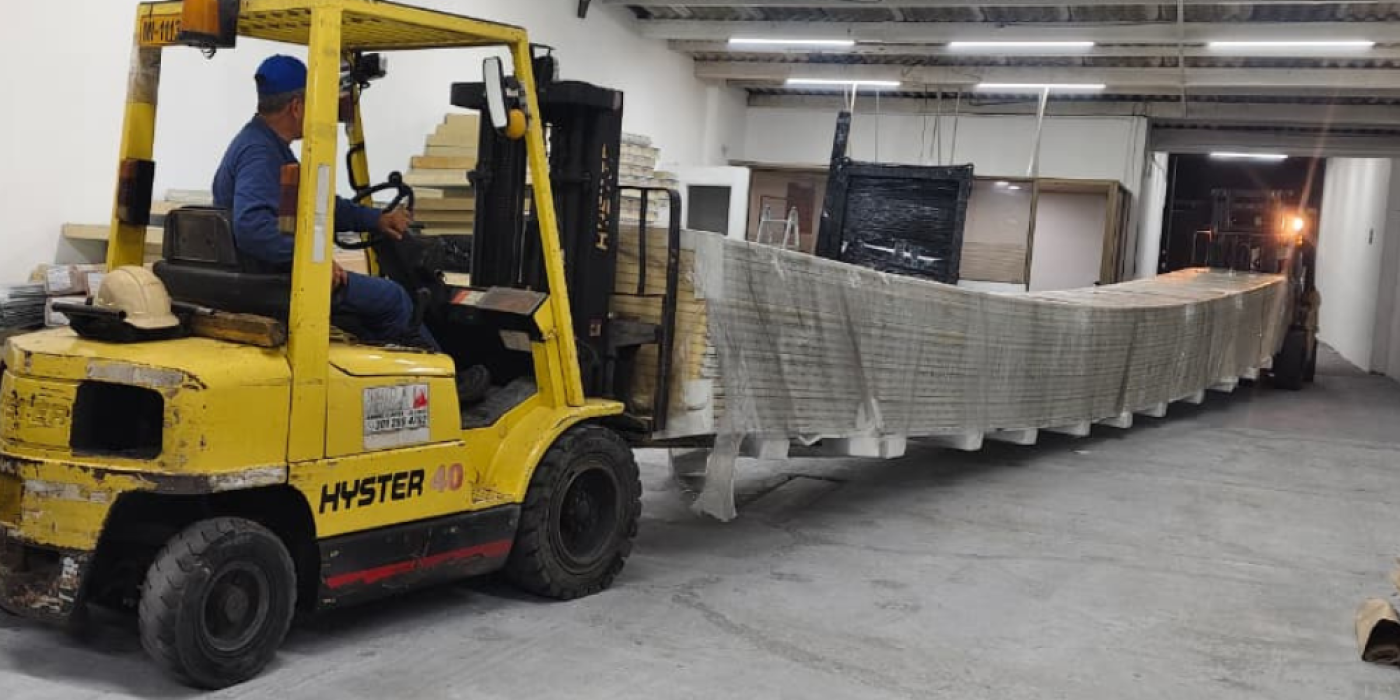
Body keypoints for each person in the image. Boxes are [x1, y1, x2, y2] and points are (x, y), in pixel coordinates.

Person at [213, 54, 432, 347]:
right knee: (392, 298)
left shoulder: (266, 145)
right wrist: (312, 260)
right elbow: (252, 227)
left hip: (266, 274)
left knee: (365, 315)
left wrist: (377, 220)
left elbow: (317, 205)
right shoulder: (260, 154)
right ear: (296, 107)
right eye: (314, 103)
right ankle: (444, 372)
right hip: (272, 281)